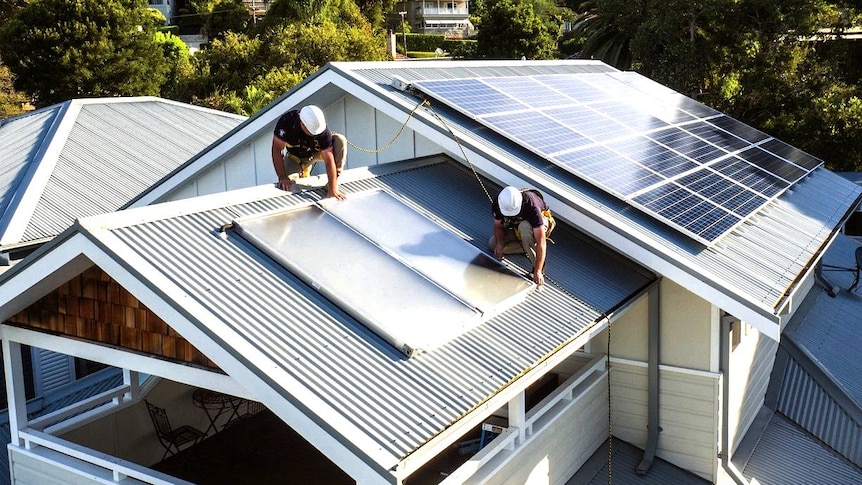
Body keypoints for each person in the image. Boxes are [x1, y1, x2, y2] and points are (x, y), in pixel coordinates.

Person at [271, 105, 346, 200]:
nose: (315, 134)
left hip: (317, 153)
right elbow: (276, 150)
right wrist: (282, 177)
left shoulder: (321, 129)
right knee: (287, 187)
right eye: (311, 132)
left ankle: (333, 182)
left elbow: (328, 160)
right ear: (303, 124)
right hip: (295, 158)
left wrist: (332, 189)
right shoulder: (287, 122)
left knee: (340, 140)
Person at [489, 186, 551, 285]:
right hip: (516, 225)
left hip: (537, 226)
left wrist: (538, 271)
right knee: (493, 245)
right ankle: (526, 246)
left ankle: (538, 264)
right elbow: (498, 226)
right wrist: (500, 244)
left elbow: (541, 242)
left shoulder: (532, 206)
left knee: (524, 227)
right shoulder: (499, 203)